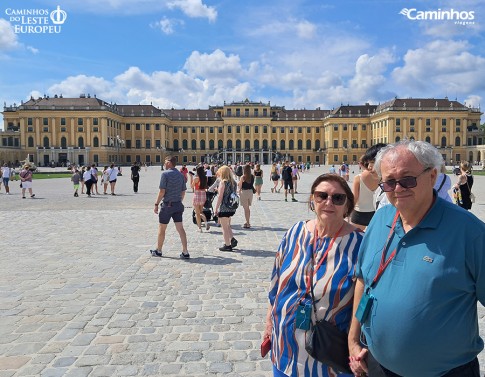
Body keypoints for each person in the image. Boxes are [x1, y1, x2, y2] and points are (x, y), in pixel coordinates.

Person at [348, 140, 485, 377]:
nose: (398, 188)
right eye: (389, 182)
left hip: (446, 373)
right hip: (377, 365)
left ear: (432, 176)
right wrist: (352, 339)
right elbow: (363, 279)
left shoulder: (470, 233)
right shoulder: (380, 220)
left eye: (408, 179)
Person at [264, 174, 363, 376]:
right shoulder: (295, 232)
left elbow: (362, 304)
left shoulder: (359, 244)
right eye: (321, 196)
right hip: (285, 345)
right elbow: (276, 282)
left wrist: (354, 342)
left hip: (327, 354)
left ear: (347, 206)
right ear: (312, 200)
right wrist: (269, 321)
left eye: (338, 198)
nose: (328, 202)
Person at [151, 155, 190, 259]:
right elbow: (183, 191)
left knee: (162, 228)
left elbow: (162, 191)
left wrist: (156, 204)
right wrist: (179, 201)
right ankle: (185, 251)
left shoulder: (165, 174)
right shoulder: (181, 175)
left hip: (167, 205)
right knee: (180, 228)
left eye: (165, 162)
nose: (164, 164)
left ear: (169, 163)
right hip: (178, 205)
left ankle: (158, 250)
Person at [350, 144, 387, 230]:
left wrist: (347, 214)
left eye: (373, 162)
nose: (370, 166)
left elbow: (354, 199)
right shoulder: (381, 181)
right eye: (369, 163)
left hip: (359, 214)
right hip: (374, 214)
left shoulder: (358, 178)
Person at [214, 165, 238, 251]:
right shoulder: (234, 182)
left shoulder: (223, 182)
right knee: (227, 224)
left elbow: (220, 196)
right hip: (231, 207)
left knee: (224, 227)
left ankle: (227, 245)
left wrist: (216, 208)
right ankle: (232, 239)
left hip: (224, 206)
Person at [192, 165, 210, 232]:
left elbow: (192, 186)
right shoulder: (205, 178)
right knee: (201, 211)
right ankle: (206, 222)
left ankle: (200, 228)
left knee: (197, 213)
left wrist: (191, 177)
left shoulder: (196, 178)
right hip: (203, 194)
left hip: (197, 194)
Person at [238, 164, 254, 229]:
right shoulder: (252, 176)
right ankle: (247, 221)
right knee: (248, 208)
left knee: (246, 209)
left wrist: (239, 191)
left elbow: (240, 186)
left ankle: (247, 223)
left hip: (244, 192)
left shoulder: (243, 177)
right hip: (250, 192)